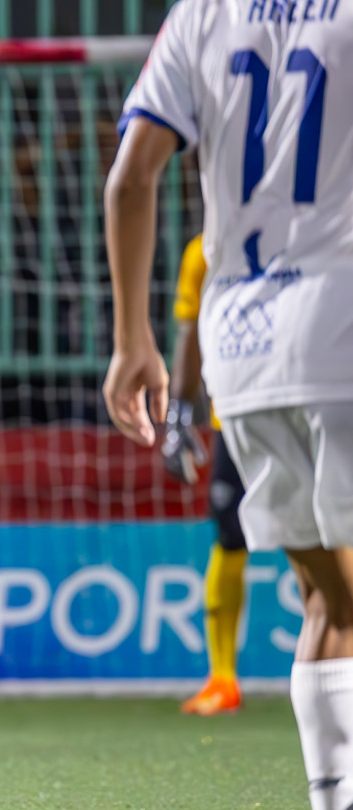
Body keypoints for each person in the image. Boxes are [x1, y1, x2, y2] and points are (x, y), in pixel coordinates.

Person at [104, 0, 353, 810]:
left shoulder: (206, 10)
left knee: (333, 604)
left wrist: (134, 339)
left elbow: (132, 176)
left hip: (248, 350)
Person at [163, 234, 248, 716]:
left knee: (326, 538)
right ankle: (222, 679)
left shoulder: (314, 227)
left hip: (303, 409)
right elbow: (188, 336)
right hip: (233, 417)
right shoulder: (201, 252)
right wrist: (179, 416)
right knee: (228, 535)